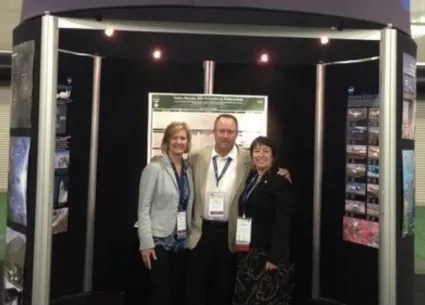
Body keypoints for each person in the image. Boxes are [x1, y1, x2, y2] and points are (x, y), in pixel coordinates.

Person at [184, 114, 291, 305]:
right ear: (214, 133)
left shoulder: (245, 158)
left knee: (223, 287)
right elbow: (178, 164)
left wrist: (281, 171)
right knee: (196, 286)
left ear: (236, 134)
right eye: (221, 131)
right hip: (201, 232)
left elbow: (267, 167)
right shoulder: (197, 156)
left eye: (230, 131)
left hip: (230, 233)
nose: (225, 135)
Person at [138, 121, 195, 305]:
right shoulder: (154, 168)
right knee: (161, 295)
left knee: (177, 292)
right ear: (167, 141)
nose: (179, 142)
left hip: (181, 240)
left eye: (183, 138)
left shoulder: (188, 169)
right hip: (158, 240)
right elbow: (143, 207)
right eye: (175, 138)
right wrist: (145, 243)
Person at [233, 136, 294, 305]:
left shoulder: (280, 182)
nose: (261, 155)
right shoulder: (252, 179)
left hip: (267, 253)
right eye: (257, 151)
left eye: (266, 151)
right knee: (245, 297)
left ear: (273, 156)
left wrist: (274, 256)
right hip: (248, 252)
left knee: (265, 299)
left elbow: (283, 222)